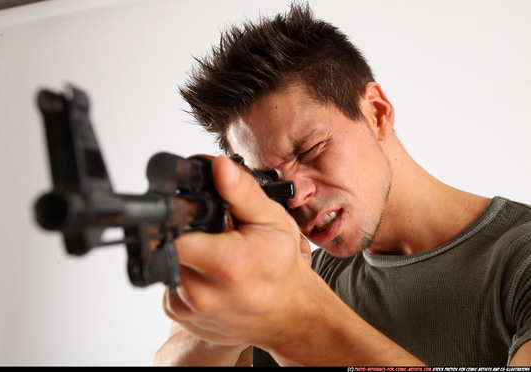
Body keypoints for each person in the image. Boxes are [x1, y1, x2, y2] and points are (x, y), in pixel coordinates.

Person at [154, 3, 531, 366]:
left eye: (311, 150)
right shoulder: (306, 279)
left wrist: (293, 317)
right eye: (269, 180)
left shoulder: (520, 258)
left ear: (377, 113)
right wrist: (228, 297)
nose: (296, 195)